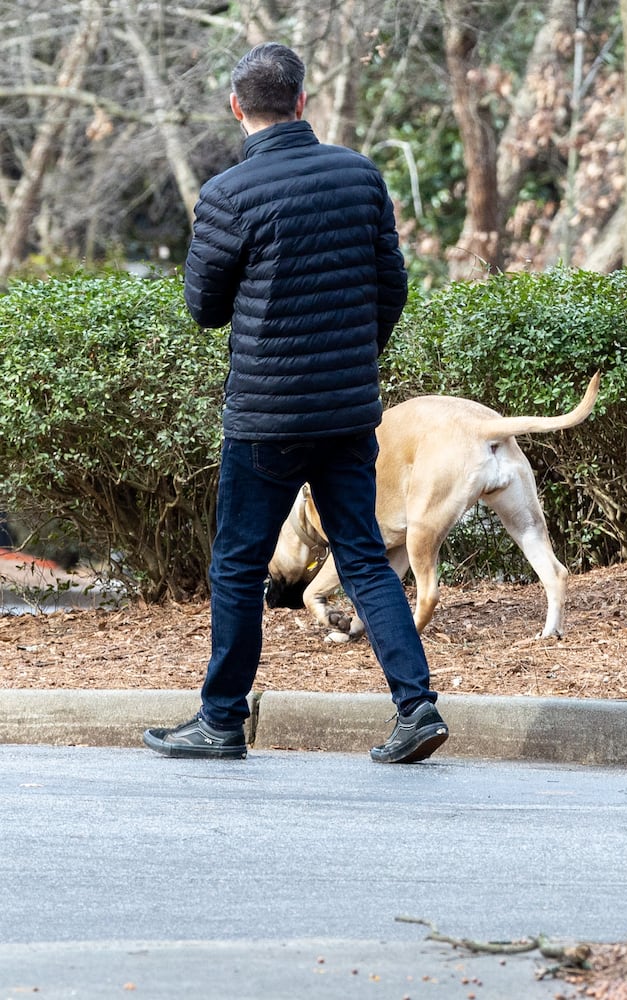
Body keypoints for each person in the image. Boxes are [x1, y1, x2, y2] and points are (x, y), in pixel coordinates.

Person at [144, 42, 447, 764]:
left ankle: (220, 719)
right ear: (302, 103)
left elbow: (203, 306)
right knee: (366, 560)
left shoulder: (227, 194)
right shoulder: (359, 175)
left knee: (239, 566)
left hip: (265, 419)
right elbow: (392, 287)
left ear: (236, 109)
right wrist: (351, 364)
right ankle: (417, 707)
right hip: (347, 412)